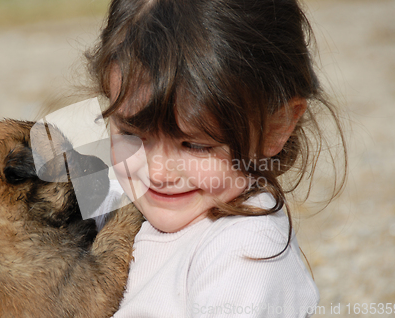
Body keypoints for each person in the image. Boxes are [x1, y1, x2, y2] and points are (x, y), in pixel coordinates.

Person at [83, 0, 347, 317]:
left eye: (195, 145)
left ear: (275, 128)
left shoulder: (245, 254)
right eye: (133, 135)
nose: (157, 172)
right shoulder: (118, 194)